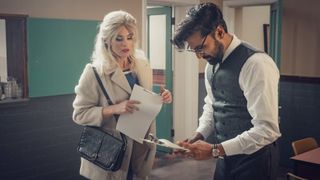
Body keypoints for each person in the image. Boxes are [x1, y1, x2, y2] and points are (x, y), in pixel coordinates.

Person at [172, 3, 281, 180]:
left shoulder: (257, 64)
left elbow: (267, 130)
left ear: (220, 32)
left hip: (256, 161)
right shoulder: (211, 66)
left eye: (201, 47)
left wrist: (214, 150)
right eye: (194, 51)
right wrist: (197, 136)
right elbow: (212, 106)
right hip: (225, 157)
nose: (199, 56)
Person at [72, 10, 172, 180]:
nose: (126, 43)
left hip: (140, 150)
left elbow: (141, 100)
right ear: (107, 41)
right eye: (119, 38)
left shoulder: (142, 64)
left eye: (130, 37)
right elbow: (79, 114)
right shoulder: (94, 72)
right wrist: (113, 109)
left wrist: (161, 97)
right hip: (111, 155)